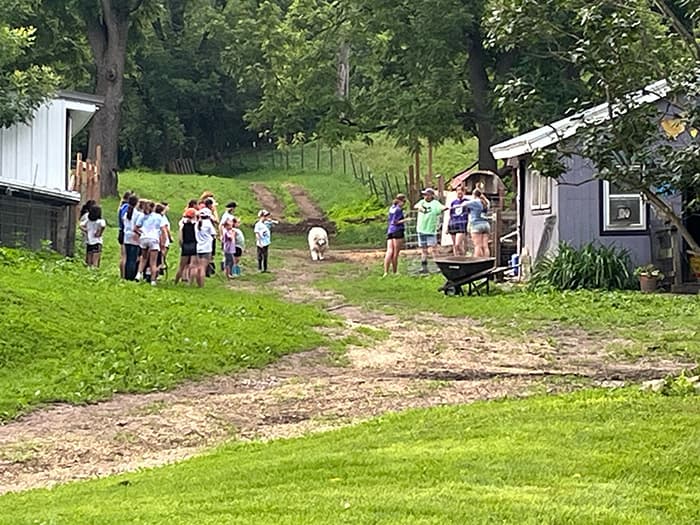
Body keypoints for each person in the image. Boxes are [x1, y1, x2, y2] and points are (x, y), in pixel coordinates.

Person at [135, 201, 166, 286]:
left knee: (143, 258)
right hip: (154, 239)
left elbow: (136, 228)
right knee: (153, 262)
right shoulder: (158, 217)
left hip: (144, 238)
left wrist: (141, 234)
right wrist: (163, 243)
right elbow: (163, 230)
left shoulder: (142, 216)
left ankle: (138, 274)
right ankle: (153, 280)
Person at [414, 188, 444, 274]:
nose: (425, 196)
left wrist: (444, 209)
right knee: (424, 249)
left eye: (427, 194)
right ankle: (424, 267)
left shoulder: (435, 203)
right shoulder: (422, 202)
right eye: (424, 194)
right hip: (421, 229)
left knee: (434, 248)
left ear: (431, 195)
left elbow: (442, 207)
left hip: (430, 229)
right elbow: (416, 206)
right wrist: (419, 207)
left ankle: (439, 266)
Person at [383, 193, 410, 276]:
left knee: (389, 251)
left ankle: (386, 272)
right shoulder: (398, 209)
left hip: (390, 230)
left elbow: (391, 220)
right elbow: (396, 222)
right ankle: (395, 271)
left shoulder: (391, 208)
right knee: (395, 253)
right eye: (404, 202)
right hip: (397, 231)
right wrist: (406, 220)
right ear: (401, 201)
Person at [194, 207, 217, 287]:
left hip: (198, 247)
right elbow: (214, 234)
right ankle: (201, 285)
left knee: (198, 266)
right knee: (203, 267)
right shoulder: (208, 224)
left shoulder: (197, 224)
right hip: (206, 248)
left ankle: (197, 283)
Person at [465, 189, 491, 257]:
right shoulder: (486, 202)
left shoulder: (474, 202)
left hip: (476, 225)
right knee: (485, 246)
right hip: (486, 225)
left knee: (477, 245)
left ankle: (477, 262)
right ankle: (486, 261)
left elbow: (464, 204)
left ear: (474, 195)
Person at [175, 207, 197, 284]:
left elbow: (180, 238)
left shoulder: (183, 225)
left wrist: (182, 245)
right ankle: (190, 282)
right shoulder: (196, 225)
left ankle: (176, 281)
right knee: (193, 265)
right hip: (194, 244)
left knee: (181, 266)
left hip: (186, 245)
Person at [122, 194, 141, 280]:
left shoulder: (126, 213)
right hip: (135, 237)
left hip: (126, 236)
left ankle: (126, 275)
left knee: (128, 256)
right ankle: (131, 276)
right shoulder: (138, 214)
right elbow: (137, 226)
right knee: (133, 259)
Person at [447, 186, 469, 256]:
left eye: (461, 191)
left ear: (464, 192)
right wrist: (448, 226)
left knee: (458, 244)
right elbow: (451, 215)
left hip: (462, 224)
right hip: (453, 224)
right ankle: (456, 259)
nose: (459, 192)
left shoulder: (467, 202)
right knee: (454, 245)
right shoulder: (453, 202)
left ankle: (463, 258)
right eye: (458, 191)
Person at [117, 191, 132, 278]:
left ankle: (123, 275)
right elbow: (124, 219)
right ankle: (123, 275)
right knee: (124, 256)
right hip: (124, 231)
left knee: (123, 255)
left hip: (122, 231)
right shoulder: (126, 207)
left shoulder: (121, 207)